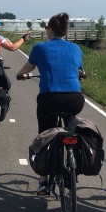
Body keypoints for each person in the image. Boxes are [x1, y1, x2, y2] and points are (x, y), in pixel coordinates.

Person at [16, 12, 85, 196]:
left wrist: (19, 74)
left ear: (50, 30)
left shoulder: (40, 48)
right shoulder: (76, 48)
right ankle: (73, 166)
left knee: (46, 134)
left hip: (50, 99)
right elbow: (80, 70)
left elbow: (28, 68)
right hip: (74, 99)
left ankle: (44, 181)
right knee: (72, 131)